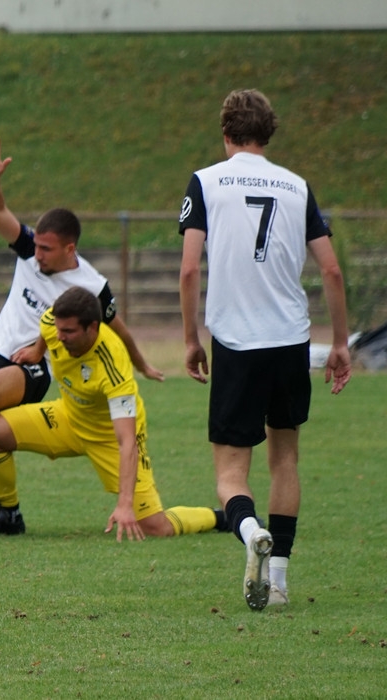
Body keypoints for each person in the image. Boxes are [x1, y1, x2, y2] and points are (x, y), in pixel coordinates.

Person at [0, 137, 163, 535]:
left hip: (34, 365)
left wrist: (142, 363)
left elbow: (116, 326)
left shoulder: (92, 285)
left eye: (47, 249)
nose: (37, 255)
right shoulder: (28, 250)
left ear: (70, 248)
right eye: (36, 246)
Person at [179, 89, 351, 611]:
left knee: (231, 474)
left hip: (236, 342)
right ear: (268, 132)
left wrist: (190, 339)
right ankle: (278, 583)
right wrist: (340, 343)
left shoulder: (206, 181)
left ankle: (251, 531)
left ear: (225, 132)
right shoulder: (297, 186)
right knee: (285, 459)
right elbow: (331, 270)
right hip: (290, 341)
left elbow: (188, 269)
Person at [0, 286, 227, 540]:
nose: (60, 337)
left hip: (110, 438)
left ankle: (218, 517)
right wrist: (37, 351)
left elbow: (127, 441)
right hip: (69, 417)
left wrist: (125, 505)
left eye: (69, 332)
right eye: (59, 330)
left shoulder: (112, 364)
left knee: (155, 527)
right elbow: (47, 326)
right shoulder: (54, 323)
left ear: (92, 327)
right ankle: (10, 515)